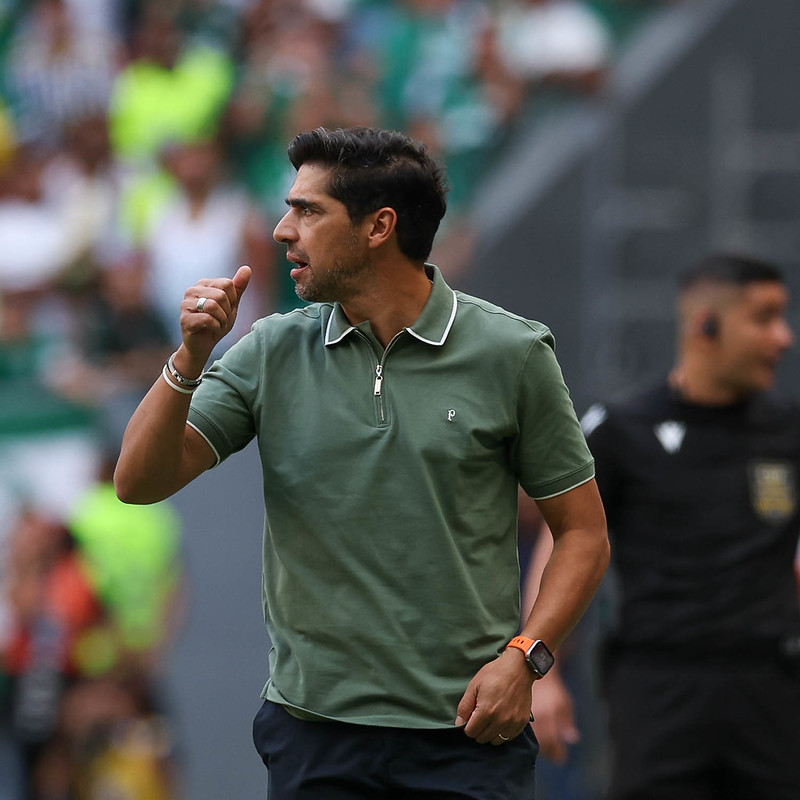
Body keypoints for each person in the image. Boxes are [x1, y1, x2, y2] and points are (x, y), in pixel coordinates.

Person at [113, 125, 609, 799]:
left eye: (307, 210)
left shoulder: (512, 353)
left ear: (379, 226)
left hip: (468, 735)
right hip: (315, 736)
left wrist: (527, 658)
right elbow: (139, 480)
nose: (282, 230)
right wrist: (188, 359)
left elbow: (583, 532)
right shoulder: (268, 350)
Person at [527, 253, 800, 800]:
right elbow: (564, 543)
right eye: (765, 318)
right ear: (706, 326)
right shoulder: (623, 429)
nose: (783, 337)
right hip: (660, 687)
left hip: (773, 687)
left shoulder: (787, 430)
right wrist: (541, 672)